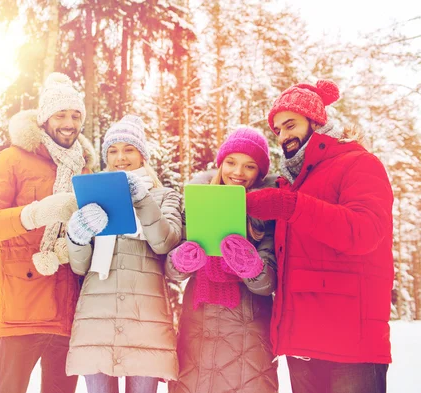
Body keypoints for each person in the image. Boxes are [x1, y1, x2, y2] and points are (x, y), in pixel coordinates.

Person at [246, 80, 394, 393]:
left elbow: (365, 233)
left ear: (317, 122)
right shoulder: (291, 182)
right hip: (302, 342)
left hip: (350, 345)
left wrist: (290, 205)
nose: (284, 136)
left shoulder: (359, 163)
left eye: (291, 125)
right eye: (278, 130)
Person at [0, 72, 96, 393]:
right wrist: (37, 213)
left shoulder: (84, 169)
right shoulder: (12, 160)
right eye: (60, 114)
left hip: (69, 309)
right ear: (43, 118)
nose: (69, 122)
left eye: (76, 115)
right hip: (23, 308)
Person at [64, 115, 182, 393]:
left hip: (146, 319)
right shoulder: (94, 196)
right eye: (113, 151)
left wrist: (142, 199)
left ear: (143, 155)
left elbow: (165, 243)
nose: (120, 158)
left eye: (129, 149)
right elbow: (81, 267)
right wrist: (77, 237)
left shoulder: (165, 196)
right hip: (97, 316)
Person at [165, 127, 279, 393]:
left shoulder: (266, 213)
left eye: (249, 166)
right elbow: (172, 271)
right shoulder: (195, 203)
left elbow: (269, 282)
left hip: (248, 330)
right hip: (198, 327)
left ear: (259, 174)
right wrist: (180, 261)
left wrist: (252, 267)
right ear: (220, 163)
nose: (238, 172)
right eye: (231, 162)